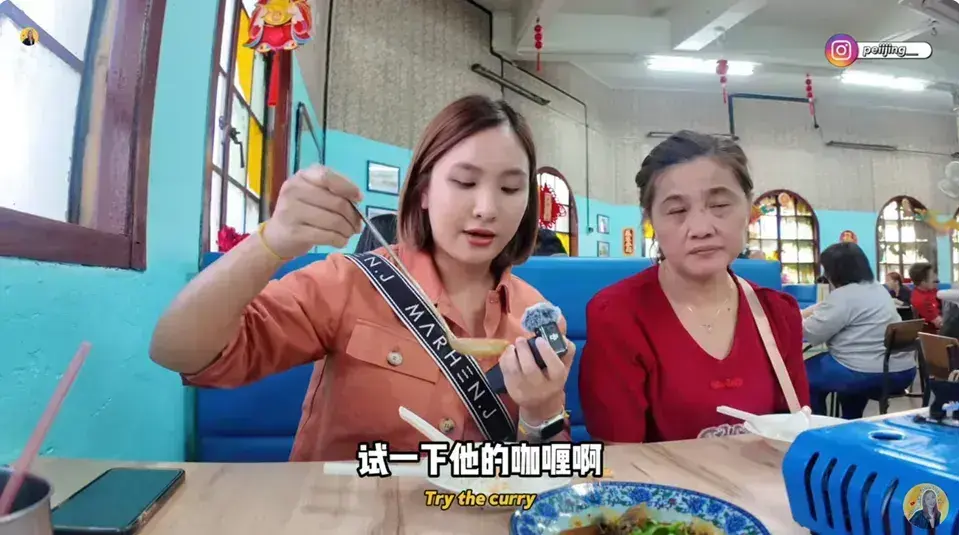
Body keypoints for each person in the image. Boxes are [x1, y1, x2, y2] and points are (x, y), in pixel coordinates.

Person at [149, 95, 574, 461]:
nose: (487, 208)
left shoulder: (536, 315)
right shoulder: (348, 284)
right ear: (423, 191)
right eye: (465, 181)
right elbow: (179, 352)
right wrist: (271, 241)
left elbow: (548, 476)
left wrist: (541, 413)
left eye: (510, 189)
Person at [578, 130, 810, 443]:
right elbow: (618, 455)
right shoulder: (618, 315)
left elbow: (795, 436)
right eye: (677, 211)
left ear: (748, 209)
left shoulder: (778, 314)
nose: (701, 229)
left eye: (720, 205)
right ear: (650, 221)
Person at [802, 243, 916, 419]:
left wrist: (797, 315)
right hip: (902, 371)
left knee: (802, 375)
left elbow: (811, 333)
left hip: (866, 373)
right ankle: (851, 420)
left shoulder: (843, 295)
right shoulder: (878, 289)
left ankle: (818, 426)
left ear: (836, 271)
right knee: (846, 362)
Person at [909, 262, 941, 333]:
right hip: (934, 334)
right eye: (932, 277)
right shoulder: (920, 300)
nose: (936, 278)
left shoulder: (931, 290)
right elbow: (940, 323)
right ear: (923, 282)